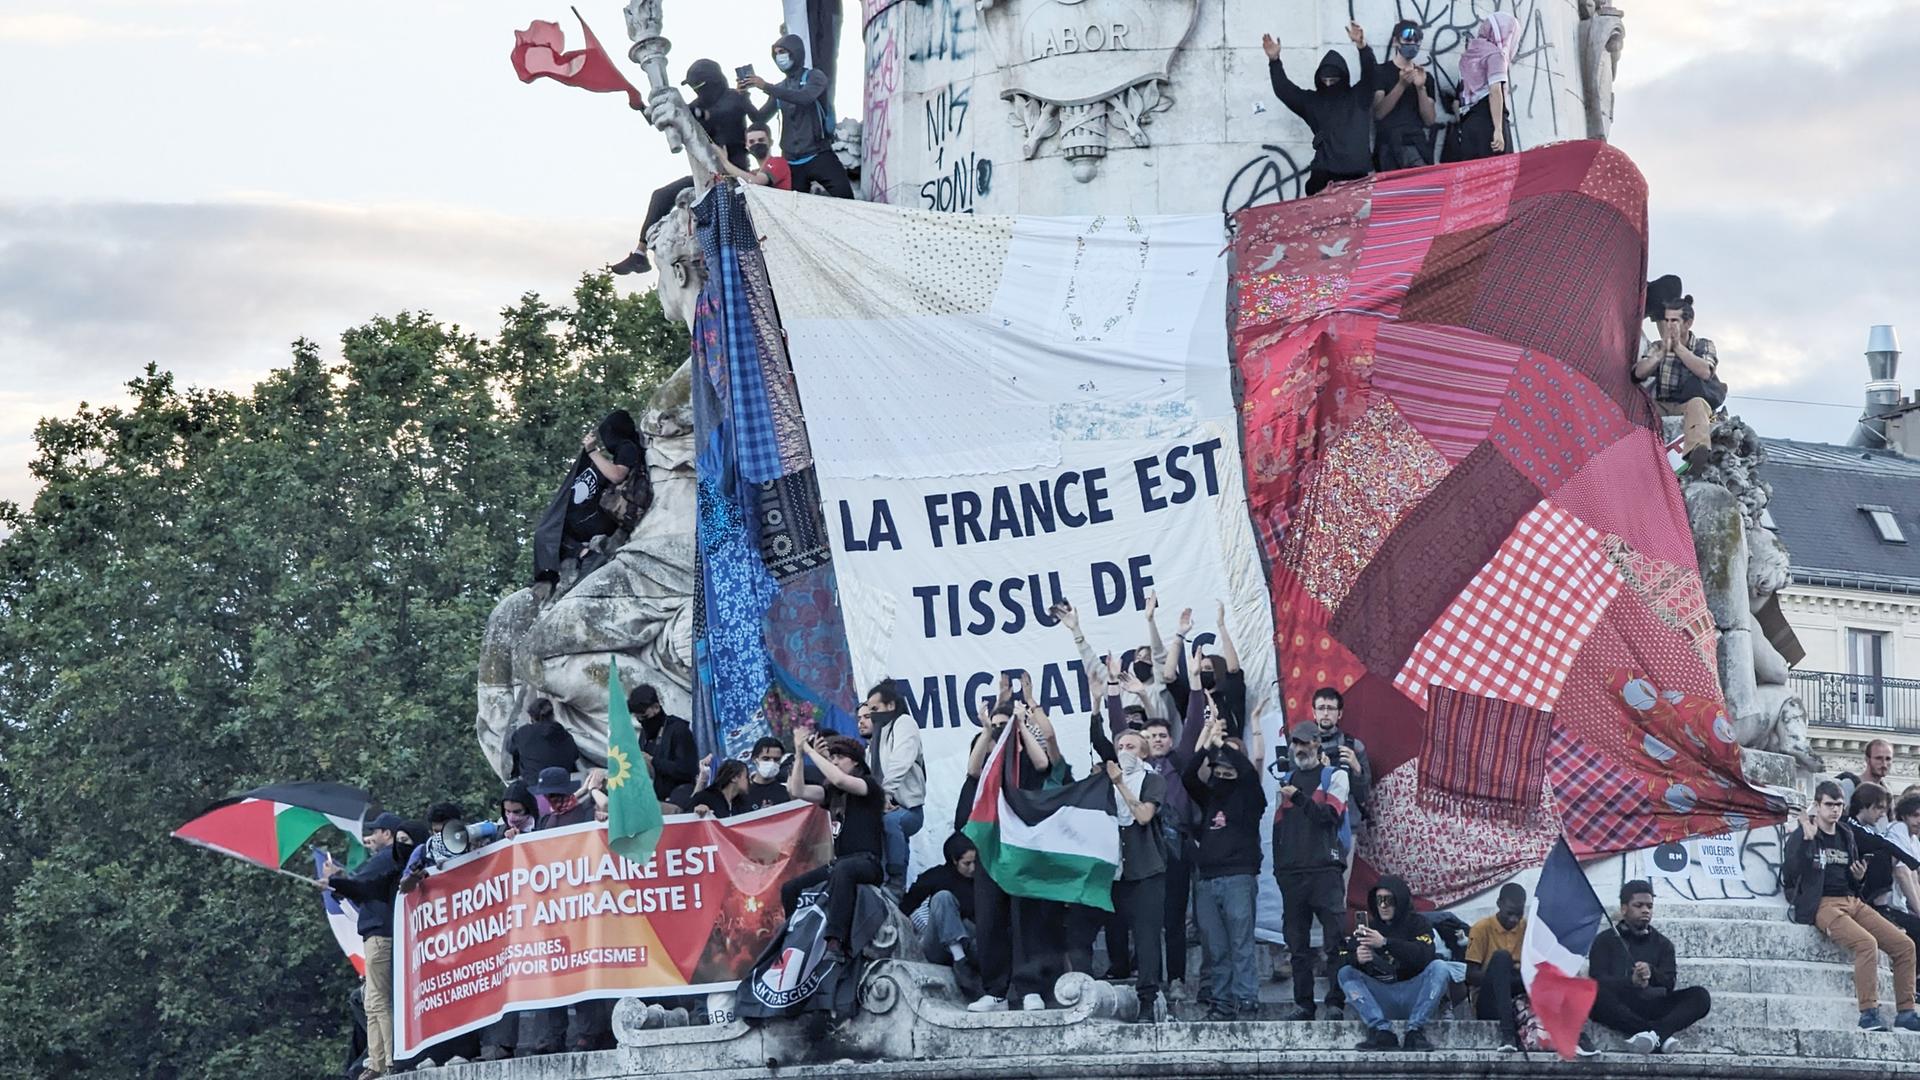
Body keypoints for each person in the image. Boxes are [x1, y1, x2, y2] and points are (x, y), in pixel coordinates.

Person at [1784, 781, 1919, 1032]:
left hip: (1852, 901)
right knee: (1866, 944)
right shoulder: (1806, 833)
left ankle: (1906, 1012)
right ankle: (1868, 1014)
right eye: (1829, 805)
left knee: (1904, 945)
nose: (1834, 810)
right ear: (1817, 805)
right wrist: (1806, 842)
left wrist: (1858, 876)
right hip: (1823, 905)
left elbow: (1851, 876)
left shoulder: (1845, 833)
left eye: (1838, 805)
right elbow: (1791, 875)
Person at [1183, 712, 1265, 1020]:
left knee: (1241, 944)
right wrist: (1207, 749)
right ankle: (1221, 1002)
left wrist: (1224, 745)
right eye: (1218, 768)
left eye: (1227, 768)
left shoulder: (1251, 797)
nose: (1223, 772)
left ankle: (1246, 1001)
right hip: (1207, 881)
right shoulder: (1209, 798)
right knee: (1215, 947)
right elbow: (1188, 776)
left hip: (1239, 878)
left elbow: (1246, 771)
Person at [781, 732, 887, 965]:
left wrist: (810, 751)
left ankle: (835, 942)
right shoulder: (833, 795)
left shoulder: (869, 786)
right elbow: (797, 791)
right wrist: (799, 753)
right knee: (790, 888)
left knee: (844, 870)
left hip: (867, 862)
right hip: (841, 863)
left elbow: (840, 780)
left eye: (840, 758)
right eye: (833, 757)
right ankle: (793, 939)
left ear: (856, 761)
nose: (835, 762)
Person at [1271, 720, 1353, 1021]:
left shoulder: (1335, 775)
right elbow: (1278, 829)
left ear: (1318, 743)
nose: (1299, 748)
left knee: (1334, 942)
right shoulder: (1288, 778)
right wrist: (1280, 870)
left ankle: (1336, 1002)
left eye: (1305, 742)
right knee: (1297, 946)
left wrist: (1299, 798)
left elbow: (1330, 815)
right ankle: (1303, 1005)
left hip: (1325, 870)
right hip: (1292, 874)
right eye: (1295, 743)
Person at [323, 812, 410, 1080]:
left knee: (378, 1001)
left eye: (376, 832)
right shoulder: (386, 860)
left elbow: (363, 885)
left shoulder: (388, 858)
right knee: (372, 1002)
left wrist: (336, 880)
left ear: (388, 834)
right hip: (376, 933)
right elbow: (362, 887)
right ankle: (376, 1061)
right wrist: (338, 881)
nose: (370, 837)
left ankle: (388, 1059)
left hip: (380, 935)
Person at [1587, 881, 1714, 1052]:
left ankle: (1655, 1034)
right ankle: (1657, 1036)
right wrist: (1630, 982)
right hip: (1620, 1005)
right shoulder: (1605, 940)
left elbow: (1669, 983)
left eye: (1649, 906)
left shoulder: (1663, 944)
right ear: (1624, 908)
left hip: (1653, 1004)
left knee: (1700, 996)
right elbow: (1597, 980)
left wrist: (1651, 973)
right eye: (1638, 905)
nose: (1645, 910)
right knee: (1593, 995)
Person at [531, 410, 643, 590]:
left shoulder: (627, 447)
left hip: (615, 516)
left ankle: (587, 556)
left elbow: (617, 475)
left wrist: (592, 452)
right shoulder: (629, 448)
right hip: (611, 514)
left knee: (554, 530)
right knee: (555, 527)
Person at [1336, 876, 1451, 1052]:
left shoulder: (1418, 923)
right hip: (1384, 996)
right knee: (1345, 972)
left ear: (1400, 900)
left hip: (1414, 994)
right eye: (1379, 900)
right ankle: (1382, 1032)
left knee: (1440, 967)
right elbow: (1342, 956)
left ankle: (1414, 1031)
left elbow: (1424, 955)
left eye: (1389, 900)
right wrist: (1356, 958)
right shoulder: (1370, 928)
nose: (1383, 906)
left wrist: (1385, 943)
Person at [1262, 23, 1377, 195]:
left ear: (1343, 78)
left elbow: (1371, 73)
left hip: (1356, 174)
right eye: (1325, 80)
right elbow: (1285, 90)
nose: (1329, 84)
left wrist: (1362, 46)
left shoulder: (1358, 97)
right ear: (1318, 79)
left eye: (1334, 80)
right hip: (1324, 175)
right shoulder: (1313, 101)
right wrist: (1274, 61)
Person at [1106, 729, 1170, 1023]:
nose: (1124, 751)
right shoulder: (1105, 784)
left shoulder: (1153, 780)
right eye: (1119, 746)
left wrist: (1121, 784)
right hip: (1115, 870)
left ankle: (1147, 999)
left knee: (1146, 938)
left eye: (1130, 746)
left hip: (1146, 869)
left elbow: (1144, 815)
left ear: (1143, 753)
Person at [741, 34, 855, 198]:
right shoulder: (780, 88)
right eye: (776, 53)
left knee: (847, 199)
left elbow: (805, 97)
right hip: (792, 162)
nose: (780, 56)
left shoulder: (815, 76)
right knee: (794, 212)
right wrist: (743, 96)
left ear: (795, 52)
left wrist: (766, 86)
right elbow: (759, 119)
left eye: (783, 51)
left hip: (819, 155)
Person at [1632, 295, 1723, 472]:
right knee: (1638, 407)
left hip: (1687, 403)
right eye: (1666, 320)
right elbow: (1638, 373)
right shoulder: (1658, 346)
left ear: (1687, 323)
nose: (1669, 325)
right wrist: (1661, 353)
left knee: (1698, 405)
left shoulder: (1703, 345)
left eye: (1674, 320)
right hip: (1661, 403)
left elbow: (1705, 371)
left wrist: (1678, 348)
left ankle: (1696, 452)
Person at [1845, 783, 1920, 993]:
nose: (1881, 815)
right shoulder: (1854, 827)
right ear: (1866, 806)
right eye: (1879, 809)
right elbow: (1888, 852)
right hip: (1866, 902)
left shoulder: (1869, 830)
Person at [862, 681, 927, 892]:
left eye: (875, 709)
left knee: (891, 822)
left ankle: (896, 882)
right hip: (882, 807)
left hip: (909, 809)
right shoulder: (875, 739)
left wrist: (885, 795)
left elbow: (902, 760)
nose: (871, 715)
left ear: (890, 706)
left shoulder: (904, 723)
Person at [901, 833, 980, 984]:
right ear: (954, 860)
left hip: (971, 943)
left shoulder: (982, 880)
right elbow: (906, 906)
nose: (972, 868)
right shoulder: (937, 876)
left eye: (975, 862)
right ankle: (959, 960)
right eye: (967, 863)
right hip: (939, 947)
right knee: (943, 897)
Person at [1465, 883, 1528, 1051]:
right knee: (1502, 958)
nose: (1514, 919)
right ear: (1499, 904)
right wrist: (1500, 976)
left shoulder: (1527, 928)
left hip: (1518, 995)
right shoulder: (1481, 928)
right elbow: (1470, 975)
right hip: (1490, 1000)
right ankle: (1508, 1035)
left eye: (1519, 914)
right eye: (1510, 913)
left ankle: (1578, 1037)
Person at [1449, 13, 1519, 161]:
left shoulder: (1468, 55)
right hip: (1489, 122)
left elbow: (1458, 100)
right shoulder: (1495, 55)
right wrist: (1498, 129)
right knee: (1500, 175)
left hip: (1469, 125)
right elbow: (1495, 92)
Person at [1372, 20, 1437, 171]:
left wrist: (1421, 88)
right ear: (1396, 41)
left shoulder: (1425, 77)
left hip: (1416, 146)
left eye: (1416, 40)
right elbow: (1378, 113)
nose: (1412, 44)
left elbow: (1429, 120)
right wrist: (1401, 85)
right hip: (1388, 147)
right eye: (1407, 39)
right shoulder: (1380, 72)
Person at [1309, 687, 1374, 826]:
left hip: (1347, 823)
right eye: (1321, 708)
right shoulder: (1302, 747)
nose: (1326, 713)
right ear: (1314, 713)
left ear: (1339, 713)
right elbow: (1295, 790)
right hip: (1314, 825)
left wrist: (1357, 769)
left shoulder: (1354, 747)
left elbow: (1364, 796)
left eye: (1331, 708)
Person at [631, 684, 698, 803]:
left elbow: (687, 770)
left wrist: (653, 760)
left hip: (677, 796)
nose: (642, 722)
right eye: (638, 719)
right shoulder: (644, 734)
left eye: (645, 717)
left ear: (656, 707)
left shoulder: (678, 729)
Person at [506, 699, 581, 789]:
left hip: (534, 787)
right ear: (553, 715)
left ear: (531, 718)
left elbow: (510, 748)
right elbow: (575, 756)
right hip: (562, 787)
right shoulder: (566, 735)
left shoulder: (523, 732)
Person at [743, 736, 794, 811]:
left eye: (776, 759)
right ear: (754, 759)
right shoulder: (743, 792)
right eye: (766, 759)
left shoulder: (788, 789)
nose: (771, 763)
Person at [1838, 739, 1897, 804]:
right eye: (1878, 758)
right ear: (1867, 759)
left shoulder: (1887, 793)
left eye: (1888, 759)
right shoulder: (1849, 787)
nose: (1884, 764)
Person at [741, 122, 792, 190]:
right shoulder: (752, 174)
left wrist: (726, 163)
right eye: (751, 142)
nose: (757, 144)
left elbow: (758, 181)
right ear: (747, 146)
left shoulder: (779, 162)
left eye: (761, 140)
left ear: (771, 142)